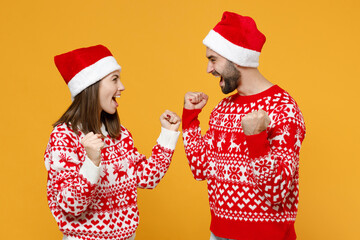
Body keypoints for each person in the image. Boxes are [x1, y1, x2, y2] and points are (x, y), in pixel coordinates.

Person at [182, 12, 306, 240]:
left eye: (213, 59)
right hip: (218, 234)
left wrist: (256, 138)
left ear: (236, 58)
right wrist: (190, 118)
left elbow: (277, 192)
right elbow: (200, 169)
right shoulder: (222, 109)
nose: (208, 70)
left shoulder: (284, 109)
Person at [44, 44, 181, 240]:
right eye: (114, 79)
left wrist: (168, 135)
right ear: (91, 86)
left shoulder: (118, 134)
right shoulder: (63, 137)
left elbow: (146, 178)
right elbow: (71, 207)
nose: (122, 87)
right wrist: (91, 162)